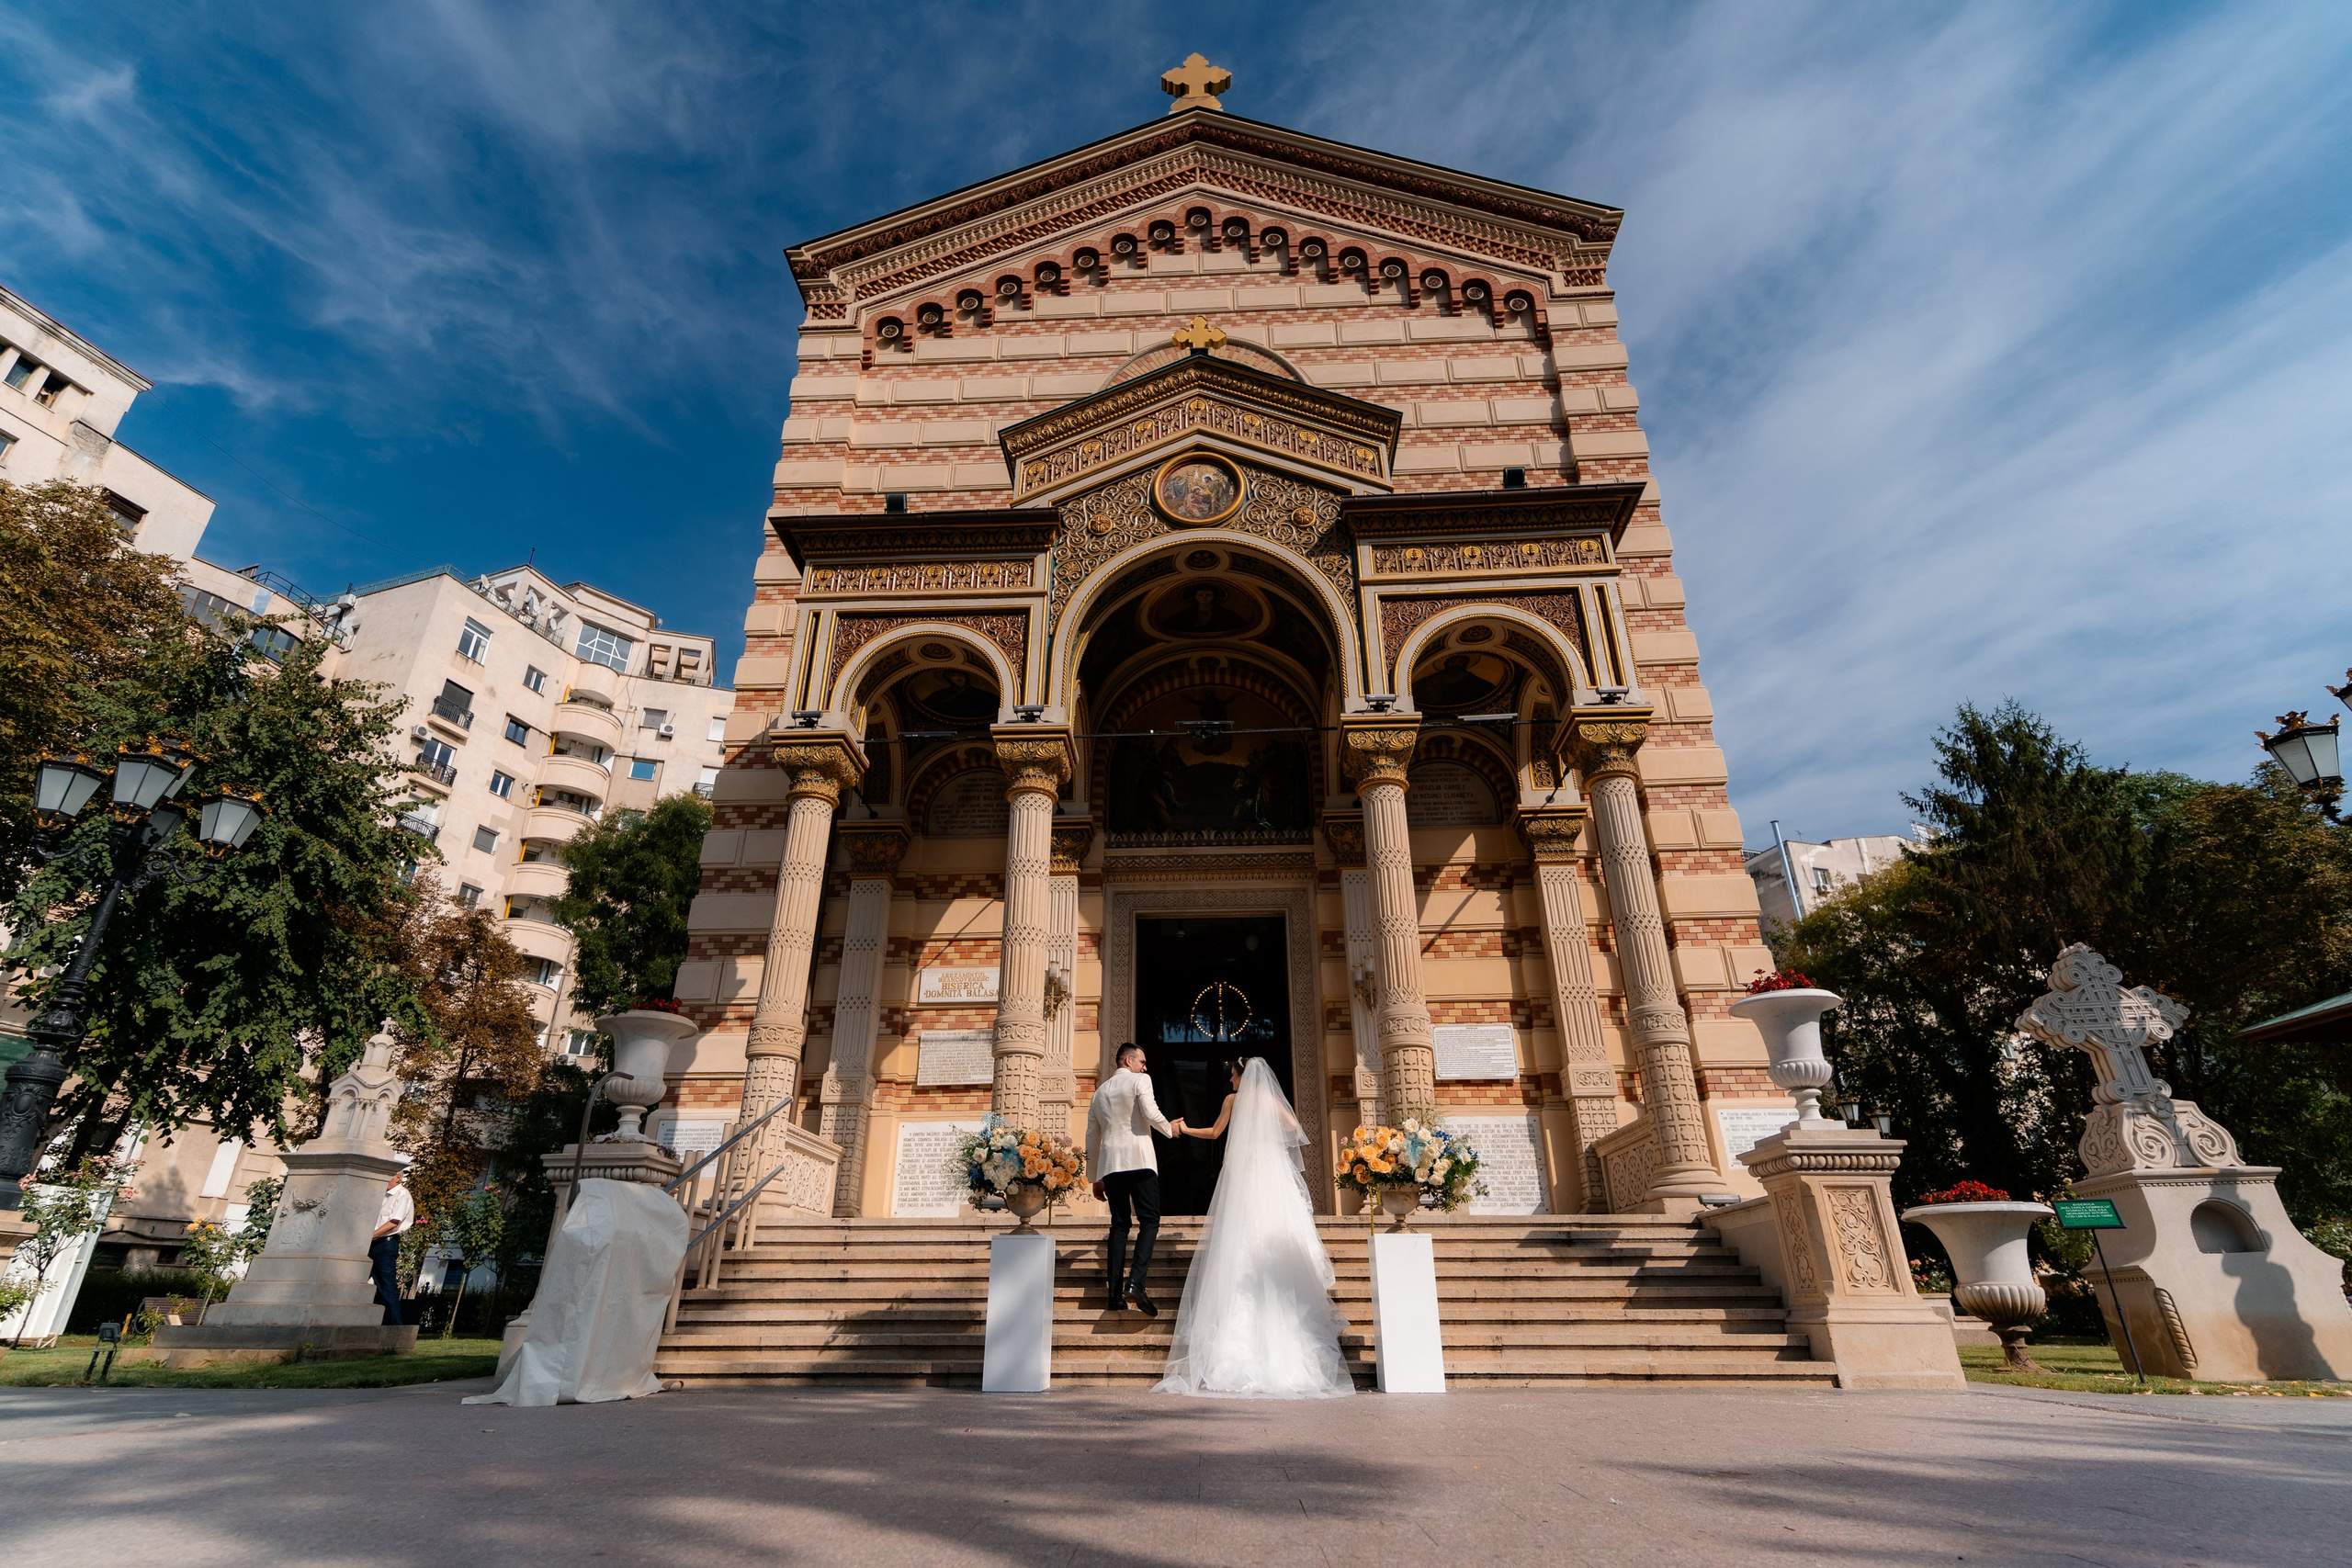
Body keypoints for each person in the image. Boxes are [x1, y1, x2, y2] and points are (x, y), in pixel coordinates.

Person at [1155, 1057, 1356, 1398]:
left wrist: (1185, 1129)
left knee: (1242, 1238)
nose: (1230, 1081)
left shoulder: (1233, 1100)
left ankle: (1234, 1345)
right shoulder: (1269, 1100)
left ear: (1240, 1075)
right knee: (1271, 1232)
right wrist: (1269, 1141)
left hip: (1247, 1176)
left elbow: (1216, 1133)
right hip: (1271, 1175)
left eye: (1231, 1075)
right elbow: (1293, 1126)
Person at [1085, 1043, 1184, 1316]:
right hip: (1139, 1161)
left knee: (1119, 1226)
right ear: (1129, 1061)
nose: (1145, 1066)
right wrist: (1170, 1129)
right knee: (1150, 1220)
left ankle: (1114, 1295)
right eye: (1142, 1061)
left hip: (1111, 1166)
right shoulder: (1141, 1080)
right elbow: (1151, 1112)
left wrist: (1095, 1176)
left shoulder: (1099, 1092)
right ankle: (1136, 1282)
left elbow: (1092, 1137)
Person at [369, 1163, 414, 1326]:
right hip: (371, 1242)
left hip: (384, 1244)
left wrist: (370, 1236)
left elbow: (394, 1222)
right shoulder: (381, 1194)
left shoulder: (401, 1194)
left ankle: (395, 1328)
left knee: (386, 1286)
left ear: (397, 1177)